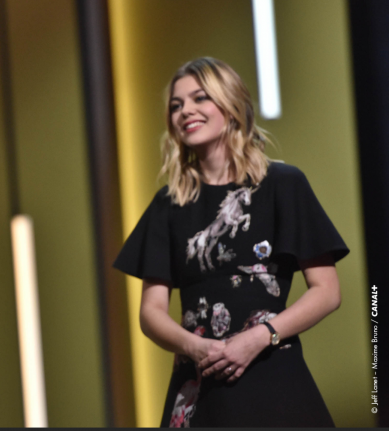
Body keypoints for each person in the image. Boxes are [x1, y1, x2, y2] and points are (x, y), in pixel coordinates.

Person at [113, 57, 348, 427]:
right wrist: (197, 347)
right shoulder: (168, 205)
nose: (185, 110)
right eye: (176, 105)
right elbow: (151, 312)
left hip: (274, 381)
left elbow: (327, 291)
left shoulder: (283, 185)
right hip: (200, 385)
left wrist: (259, 338)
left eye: (199, 98)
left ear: (231, 105)